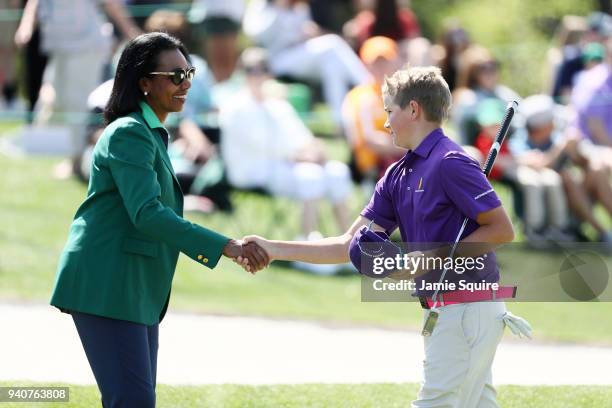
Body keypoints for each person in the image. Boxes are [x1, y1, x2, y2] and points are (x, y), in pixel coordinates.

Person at [242, 66, 529, 407]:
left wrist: (429, 258)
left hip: (468, 309)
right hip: (442, 309)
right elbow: (348, 244)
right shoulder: (398, 173)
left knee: (435, 401)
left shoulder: (451, 162)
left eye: (390, 111)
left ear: (413, 109)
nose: (386, 122)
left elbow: (501, 229)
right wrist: (273, 249)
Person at [49, 33, 269, 408]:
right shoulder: (129, 132)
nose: (185, 84)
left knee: (134, 400)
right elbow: (147, 214)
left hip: (131, 287)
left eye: (189, 73)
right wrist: (225, 247)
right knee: (133, 401)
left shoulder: (149, 133)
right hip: (108, 283)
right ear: (144, 82)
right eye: (174, 75)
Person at [220, 47, 353, 240]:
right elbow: (259, 146)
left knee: (337, 171)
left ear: (269, 74)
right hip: (253, 170)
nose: (257, 76)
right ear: (243, 73)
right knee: (311, 176)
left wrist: (315, 151)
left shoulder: (278, 105)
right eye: (250, 70)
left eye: (262, 70)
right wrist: (299, 156)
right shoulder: (235, 107)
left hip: (285, 166)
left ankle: (348, 243)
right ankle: (306, 243)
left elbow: (302, 136)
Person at [243, 0, 370, 126]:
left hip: (299, 55)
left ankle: (343, 121)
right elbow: (254, 33)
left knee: (332, 65)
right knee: (333, 44)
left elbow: (302, 32)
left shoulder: (299, 7)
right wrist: (278, 8)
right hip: (274, 60)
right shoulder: (261, 5)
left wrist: (311, 33)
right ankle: (370, 84)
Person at [341, 36, 405, 189]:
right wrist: (411, 147)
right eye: (375, 62)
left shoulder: (405, 94)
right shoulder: (360, 97)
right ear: (365, 64)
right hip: (374, 168)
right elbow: (370, 140)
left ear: (396, 61)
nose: (380, 66)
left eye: (385, 61)